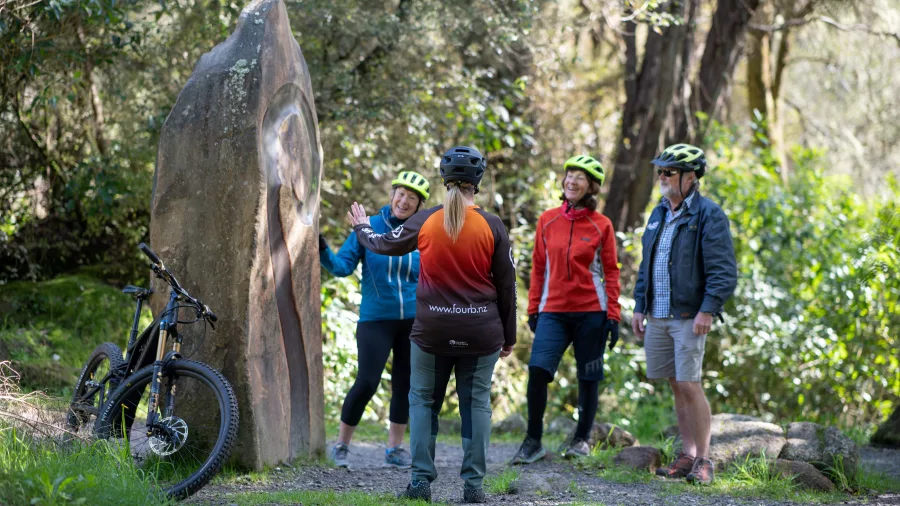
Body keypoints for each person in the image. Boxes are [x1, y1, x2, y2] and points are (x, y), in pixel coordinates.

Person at [348, 146, 516, 503]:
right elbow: (507, 286)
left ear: (443, 179)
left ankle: (421, 483)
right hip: (481, 331)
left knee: (423, 401)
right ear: (478, 182)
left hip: (431, 332)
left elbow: (380, 244)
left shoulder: (425, 220)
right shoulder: (492, 225)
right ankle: (473, 487)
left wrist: (362, 228)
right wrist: (509, 336)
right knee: (477, 405)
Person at [632, 143, 737, 485]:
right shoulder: (658, 213)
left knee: (691, 384)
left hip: (689, 316)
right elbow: (645, 266)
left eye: (669, 172)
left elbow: (723, 271)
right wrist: (638, 305)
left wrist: (708, 310)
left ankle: (705, 461)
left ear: (691, 177)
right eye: (660, 171)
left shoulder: (709, 214)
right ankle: (688, 455)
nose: (662, 177)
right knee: (676, 385)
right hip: (658, 315)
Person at [510, 155, 621, 464]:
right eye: (569, 175)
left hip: (591, 312)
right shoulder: (548, 220)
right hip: (553, 311)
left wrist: (613, 314)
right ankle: (533, 441)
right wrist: (534, 308)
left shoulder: (602, 225)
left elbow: (610, 272)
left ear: (591, 187)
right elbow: (538, 268)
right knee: (537, 371)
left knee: (589, 376)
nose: (572, 181)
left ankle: (582, 439)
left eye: (580, 177)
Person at [319, 170, 431, 469]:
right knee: (367, 382)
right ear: (391, 194)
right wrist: (322, 249)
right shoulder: (369, 226)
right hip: (375, 320)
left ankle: (395, 449)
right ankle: (341, 445)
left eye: (412, 198)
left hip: (413, 322)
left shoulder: (422, 232)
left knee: (405, 384)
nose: (404, 201)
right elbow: (342, 267)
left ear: (420, 205)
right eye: (400, 194)